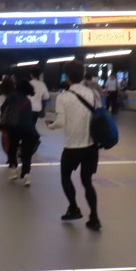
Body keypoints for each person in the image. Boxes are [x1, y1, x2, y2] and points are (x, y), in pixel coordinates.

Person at [47, 61, 102, 231]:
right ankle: (94, 218)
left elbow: (60, 121)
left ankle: (73, 207)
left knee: (65, 176)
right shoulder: (93, 94)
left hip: (72, 147)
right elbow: (99, 115)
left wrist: (50, 125)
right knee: (87, 182)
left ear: (67, 77)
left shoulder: (63, 97)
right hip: (91, 146)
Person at [0, 79, 40, 186]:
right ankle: (26, 175)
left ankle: (14, 170)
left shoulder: (11, 96)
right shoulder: (28, 100)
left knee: (12, 147)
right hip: (28, 129)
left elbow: (3, 108)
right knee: (26, 152)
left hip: (14, 127)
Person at [0, 79, 16, 168]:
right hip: (16, 122)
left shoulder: (1, 97)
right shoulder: (17, 96)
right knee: (14, 140)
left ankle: (10, 158)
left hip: (5, 123)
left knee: (6, 142)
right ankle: (14, 156)